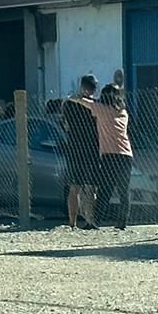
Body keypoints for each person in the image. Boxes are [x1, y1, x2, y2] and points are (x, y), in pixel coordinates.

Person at [61, 74, 101, 229]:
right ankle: (90, 220)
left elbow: (65, 125)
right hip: (91, 148)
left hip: (74, 148)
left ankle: (72, 223)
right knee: (90, 187)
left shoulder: (68, 104)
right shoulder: (95, 105)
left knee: (74, 187)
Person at [94, 84, 134, 230]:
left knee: (105, 189)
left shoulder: (101, 109)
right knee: (124, 190)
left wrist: (76, 98)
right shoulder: (123, 112)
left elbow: (87, 103)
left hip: (109, 154)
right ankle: (122, 221)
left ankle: (97, 220)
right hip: (125, 154)